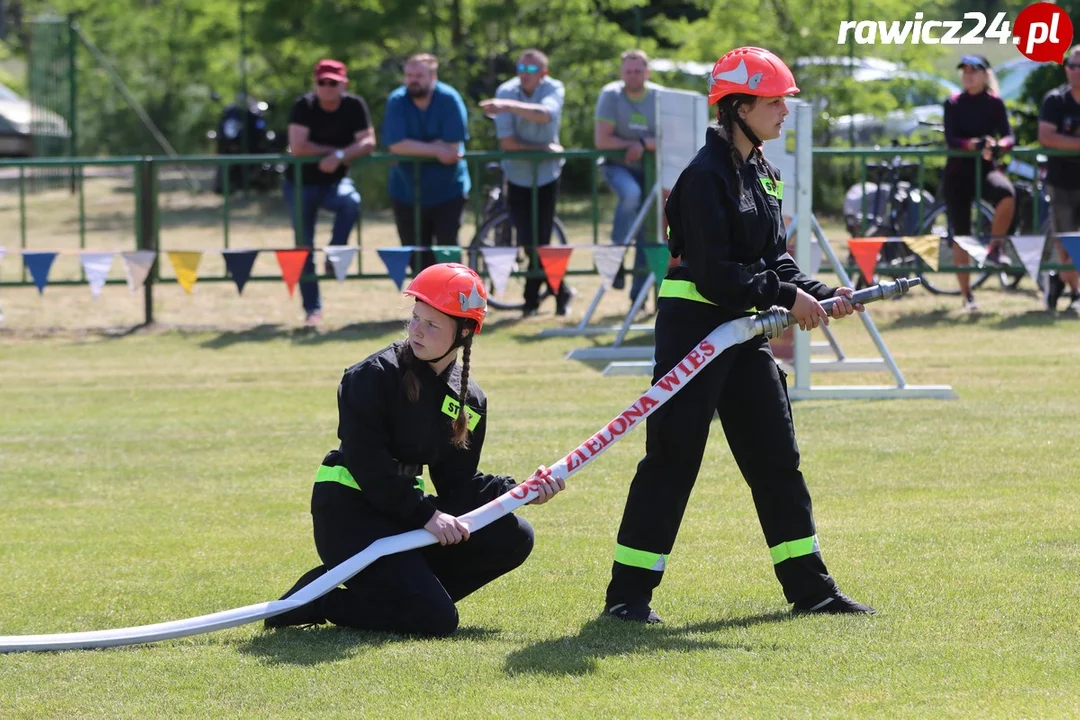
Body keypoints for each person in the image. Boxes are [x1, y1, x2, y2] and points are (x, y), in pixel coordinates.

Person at [602, 47, 875, 624]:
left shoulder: (762, 172)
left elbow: (773, 259)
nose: (784, 111)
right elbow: (714, 272)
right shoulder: (702, 178)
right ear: (738, 106)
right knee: (672, 460)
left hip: (742, 332)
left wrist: (821, 293)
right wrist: (784, 298)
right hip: (695, 331)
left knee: (777, 458)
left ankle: (812, 592)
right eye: (774, 101)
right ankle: (627, 600)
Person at [265, 263, 566, 636]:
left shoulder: (469, 400)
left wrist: (521, 493)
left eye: (433, 324)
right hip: (349, 510)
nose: (417, 331)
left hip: (404, 512)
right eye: (415, 318)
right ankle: (321, 599)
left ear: (465, 333)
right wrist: (426, 515)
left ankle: (408, 595)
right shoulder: (371, 375)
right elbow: (367, 465)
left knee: (514, 535)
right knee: (435, 620)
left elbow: (459, 484)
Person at [480, 49, 573, 317]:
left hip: (547, 176)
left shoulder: (554, 87)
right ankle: (559, 292)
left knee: (541, 240)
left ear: (544, 73)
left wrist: (506, 107)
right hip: (517, 176)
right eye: (521, 68)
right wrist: (545, 147)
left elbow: (546, 114)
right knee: (528, 239)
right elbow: (507, 144)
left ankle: (531, 299)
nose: (524, 74)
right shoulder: (505, 91)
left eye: (531, 70)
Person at [285, 58, 376, 326]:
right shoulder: (303, 106)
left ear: (343, 83)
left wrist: (339, 155)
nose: (327, 87)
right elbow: (298, 147)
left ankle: (334, 253)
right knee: (303, 247)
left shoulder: (354, 105)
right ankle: (312, 310)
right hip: (300, 184)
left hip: (335, 183)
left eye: (333, 82)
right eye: (322, 82)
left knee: (351, 202)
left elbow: (369, 142)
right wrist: (335, 152)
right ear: (315, 83)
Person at [383, 53, 472, 272]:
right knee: (416, 259)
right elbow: (396, 145)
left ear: (433, 77)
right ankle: (424, 306)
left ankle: (452, 305)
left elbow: (452, 150)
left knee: (448, 257)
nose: (413, 80)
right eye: (409, 75)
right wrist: (436, 148)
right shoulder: (397, 100)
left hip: (448, 191)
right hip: (406, 192)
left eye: (419, 75)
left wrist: (417, 147)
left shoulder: (449, 98)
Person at [942, 54, 1016, 312]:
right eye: (964, 71)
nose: (968, 75)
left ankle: (995, 247)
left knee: (1007, 193)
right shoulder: (952, 103)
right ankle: (967, 295)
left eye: (974, 70)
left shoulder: (995, 104)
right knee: (962, 236)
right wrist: (972, 144)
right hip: (957, 174)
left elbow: (1009, 137)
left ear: (985, 74)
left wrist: (998, 145)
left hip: (984, 170)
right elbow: (952, 139)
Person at [594, 49, 664, 304]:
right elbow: (602, 140)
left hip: (652, 171)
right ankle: (617, 255)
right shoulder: (610, 95)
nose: (633, 76)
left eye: (638, 71)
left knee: (650, 229)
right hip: (618, 166)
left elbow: (669, 138)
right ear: (621, 73)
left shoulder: (660, 96)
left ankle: (639, 293)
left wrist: (642, 145)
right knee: (631, 195)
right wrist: (634, 146)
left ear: (648, 72)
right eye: (628, 71)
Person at [1037, 45, 1080, 312]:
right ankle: (1073, 290)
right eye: (1071, 65)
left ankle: (1061, 283)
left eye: (1079, 67)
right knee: (1067, 241)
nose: (1074, 71)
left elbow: (1058, 139)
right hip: (1061, 182)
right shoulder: (1055, 101)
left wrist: (1069, 143)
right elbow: (1047, 137)